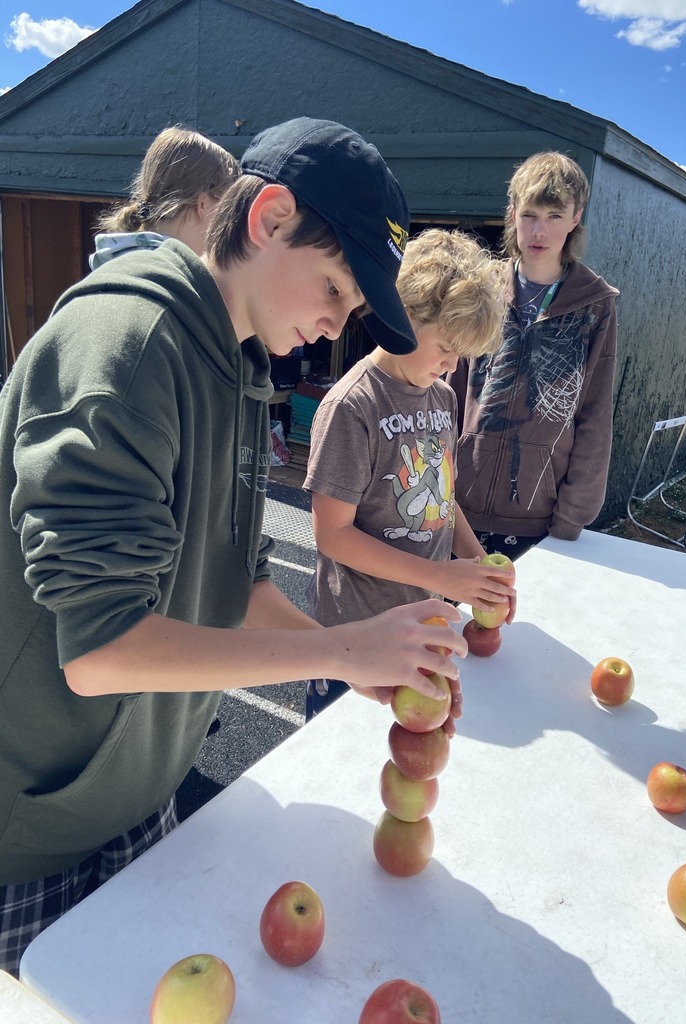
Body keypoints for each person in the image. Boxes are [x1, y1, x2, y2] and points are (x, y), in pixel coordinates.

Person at [0, 117, 468, 976]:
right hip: (29, 832)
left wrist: (355, 665)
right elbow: (100, 651)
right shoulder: (127, 348)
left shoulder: (243, 370)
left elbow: (240, 583)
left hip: (140, 797)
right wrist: (339, 644)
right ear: (269, 217)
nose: (333, 328)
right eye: (333, 287)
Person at [304, 228, 517, 720]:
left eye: (462, 354)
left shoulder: (442, 397)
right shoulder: (352, 407)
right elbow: (332, 536)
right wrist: (442, 576)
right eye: (446, 346)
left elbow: (443, 498)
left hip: (422, 625)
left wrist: (482, 571)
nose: (451, 365)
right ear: (402, 316)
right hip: (353, 638)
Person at [448, 151, 619, 561]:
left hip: (536, 519)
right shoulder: (482, 287)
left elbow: (594, 413)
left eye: (554, 216)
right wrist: (437, 485)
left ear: (576, 217)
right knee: (446, 621)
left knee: (514, 624)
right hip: (456, 506)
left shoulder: (595, 305)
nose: (539, 230)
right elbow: (447, 389)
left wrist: (572, 516)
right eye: (529, 214)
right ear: (512, 214)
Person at [89, 125, 241, 269]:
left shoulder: (114, 262)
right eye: (226, 209)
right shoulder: (173, 279)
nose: (227, 225)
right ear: (204, 205)